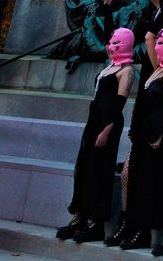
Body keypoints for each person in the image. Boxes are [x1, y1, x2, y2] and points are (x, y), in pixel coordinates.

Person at [57, 28, 134, 243]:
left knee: (100, 168)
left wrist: (106, 129)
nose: (112, 47)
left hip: (107, 123)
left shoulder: (126, 71)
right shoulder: (109, 67)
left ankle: (95, 222)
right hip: (93, 121)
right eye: (111, 42)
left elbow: (119, 103)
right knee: (84, 166)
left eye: (117, 43)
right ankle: (79, 215)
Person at [120, 28, 163, 252]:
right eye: (159, 40)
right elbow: (148, 36)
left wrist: (161, 134)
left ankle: (144, 230)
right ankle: (131, 224)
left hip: (160, 135)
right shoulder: (158, 68)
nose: (160, 43)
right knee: (135, 177)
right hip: (143, 132)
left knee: (150, 181)